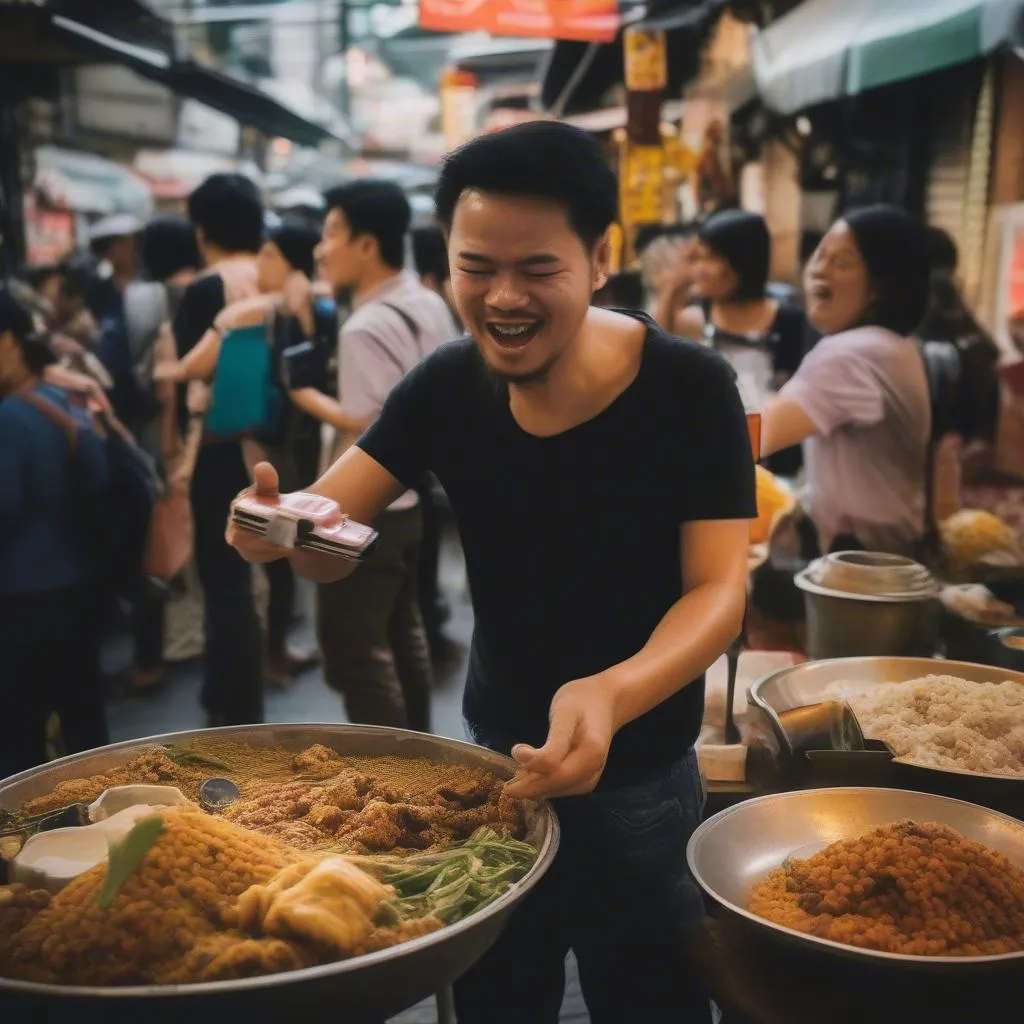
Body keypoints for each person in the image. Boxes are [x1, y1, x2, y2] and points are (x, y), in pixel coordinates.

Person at [229, 120, 753, 1023]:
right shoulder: (442, 384)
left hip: (641, 779)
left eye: (537, 268)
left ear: (600, 257)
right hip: (486, 769)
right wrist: (277, 531)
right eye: (477, 266)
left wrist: (613, 691)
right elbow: (328, 524)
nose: (503, 297)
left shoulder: (689, 388)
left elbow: (718, 587)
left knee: (652, 998)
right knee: (495, 999)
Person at [281, 180, 458, 731]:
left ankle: (391, 772)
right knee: (404, 635)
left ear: (366, 244)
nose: (319, 249)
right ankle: (424, 755)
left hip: (365, 505)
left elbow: (365, 425)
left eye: (331, 233)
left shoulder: (364, 327)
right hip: (413, 503)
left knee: (355, 653)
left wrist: (304, 395)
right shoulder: (426, 301)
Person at [162, 218, 326, 687]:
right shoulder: (310, 300)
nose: (260, 263)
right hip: (289, 448)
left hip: (235, 448)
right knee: (278, 554)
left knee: (231, 569)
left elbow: (190, 367)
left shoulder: (250, 308)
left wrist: (167, 365)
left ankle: (240, 684)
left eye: (271, 255)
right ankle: (272, 656)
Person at [760, 205, 932, 561]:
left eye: (844, 262)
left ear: (880, 287)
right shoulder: (895, 346)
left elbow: (751, 435)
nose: (820, 270)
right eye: (821, 256)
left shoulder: (850, 353)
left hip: (861, 573)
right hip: (889, 560)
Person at [0, 290, 110, 778]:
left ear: (8, 342)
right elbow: (99, 479)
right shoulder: (63, 399)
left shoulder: (8, 418)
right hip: (79, 582)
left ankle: (25, 840)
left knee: (20, 729)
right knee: (84, 718)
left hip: (22, 593)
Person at [173, 173, 265, 725]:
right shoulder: (276, 276)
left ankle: (234, 708)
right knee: (252, 573)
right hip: (271, 444)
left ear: (202, 229)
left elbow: (190, 374)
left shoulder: (208, 289)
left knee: (223, 577)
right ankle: (237, 692)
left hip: (219, 448)